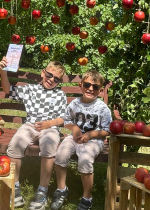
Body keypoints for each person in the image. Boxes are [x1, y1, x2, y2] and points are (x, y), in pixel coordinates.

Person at [0, 57, 67, 210]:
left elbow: (63, 119)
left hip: (50, 128)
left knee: (49, 145)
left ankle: (42, 190)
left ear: (59, 82)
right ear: (43, 73)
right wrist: (3, 70)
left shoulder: (60, 95)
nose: (51, 80)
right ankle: (14, 187)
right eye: (49, 75)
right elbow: (7, 90)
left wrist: (49, 124)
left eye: (56, 79)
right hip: (30, 125)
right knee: (16, 142)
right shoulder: (30, 89)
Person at [50, 70, 112, 210]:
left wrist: (90, 135)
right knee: (61, 154)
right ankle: (61, 189)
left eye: (95, 87)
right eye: (87, 85)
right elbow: (66, 121)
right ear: (81, 85)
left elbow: (107, 130)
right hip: (75, 137)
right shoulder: (74, 104)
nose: (90, 89)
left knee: (85, 159)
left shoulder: (103, 108)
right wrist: (75, 128)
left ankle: (87, 197)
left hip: (94, 140)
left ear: (100, 90)